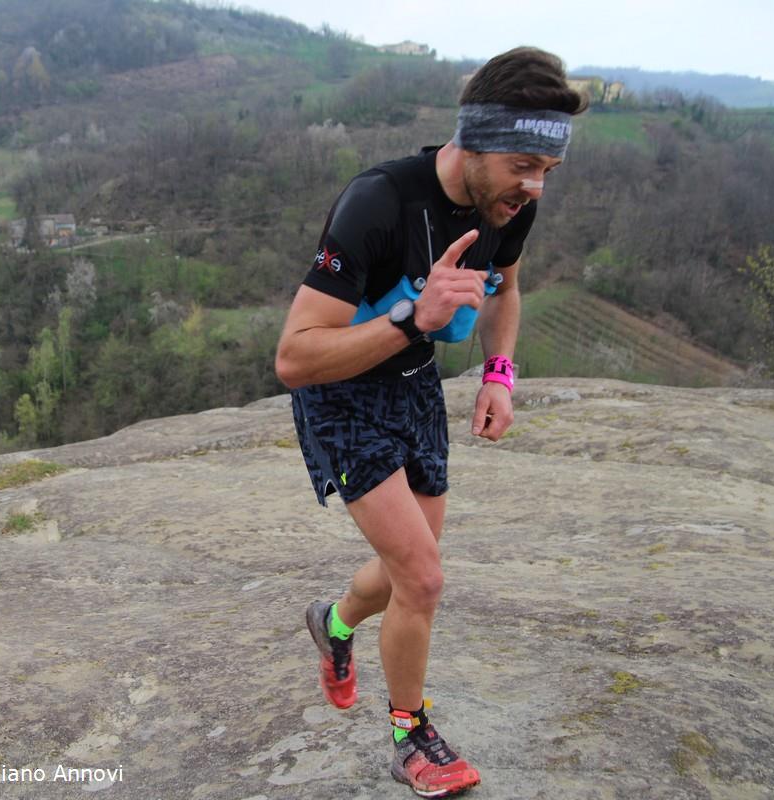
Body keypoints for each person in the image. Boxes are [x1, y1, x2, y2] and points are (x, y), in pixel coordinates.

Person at [275, 47, 588, 797]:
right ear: (472, 141)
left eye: (548, 170)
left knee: (403, 572)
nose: (534, 187)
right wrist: (415, 318)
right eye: (522, 165)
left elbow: (506, 287)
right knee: (423, 576)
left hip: (415, 391)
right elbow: (294, 357)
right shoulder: (378, 201)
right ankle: (411, 738)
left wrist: (499, 373)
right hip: (342, 396)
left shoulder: (508, 204)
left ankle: (334, 622)